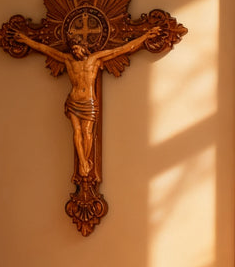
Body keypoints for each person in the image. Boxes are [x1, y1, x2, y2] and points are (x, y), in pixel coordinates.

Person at [15, 27, 158, 180]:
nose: (74, 51)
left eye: (77, 48)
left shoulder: (95, 59)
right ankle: (83, 161)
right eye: (73, 49)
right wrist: (26, 41)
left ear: (84, 48)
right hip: (73, 100)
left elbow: (122, 49)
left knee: (87, 132)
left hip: (88, 101)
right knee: (77, 132)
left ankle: (86, 159)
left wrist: (145, 37)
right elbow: (45, 49)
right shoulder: (68, 60)